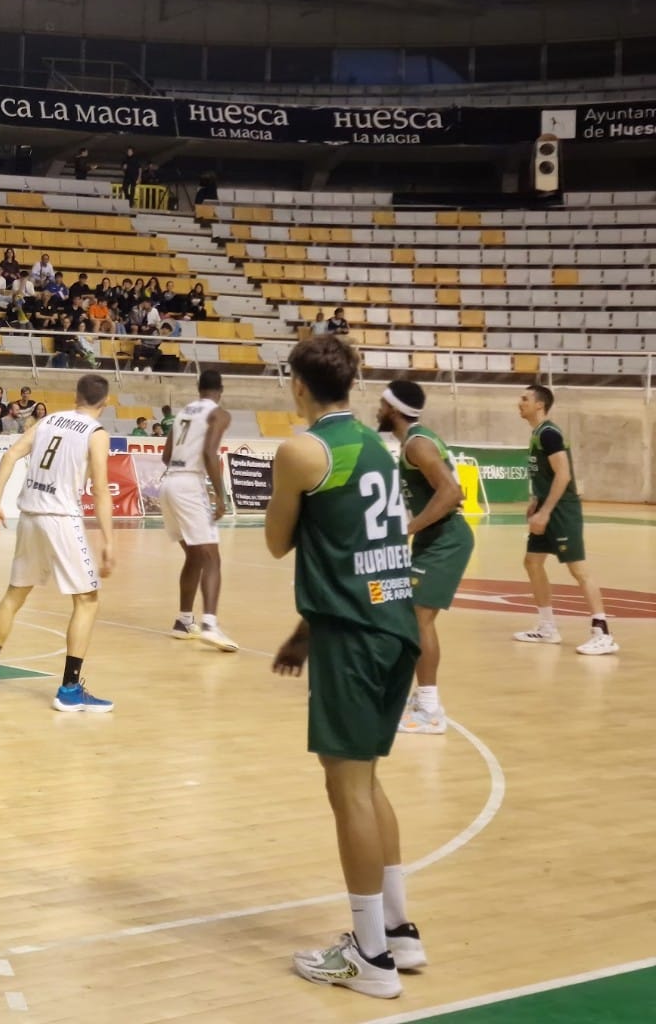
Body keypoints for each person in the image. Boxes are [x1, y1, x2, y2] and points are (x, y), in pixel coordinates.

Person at [266, 335, 423, 1000]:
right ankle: (398, 930)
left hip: (355, 639)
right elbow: (361, 550)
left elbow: (277, 542)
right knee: (367, 781)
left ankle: (370, 959)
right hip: (393, 623)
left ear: (298, 386)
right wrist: (307, 628)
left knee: (347, 790)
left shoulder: (302, 450)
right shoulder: (378, 447)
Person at [0, 374, 116, 711]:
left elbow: (10, 455)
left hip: (29, 515)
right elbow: (99, 489)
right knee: (87, 600)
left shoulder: (49, 419)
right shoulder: (96, 434)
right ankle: (69, 690)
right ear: (105, 403)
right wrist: (109, 540)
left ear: (75, 396)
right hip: (61, 519)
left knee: (14, 594)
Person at [376, 379, 474, 735]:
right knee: (409, 616)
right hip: (436, 538)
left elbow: (452, 492)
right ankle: (417, 696)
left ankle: (431, 710)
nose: (378, 409)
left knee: (419, 618)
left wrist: (409, 528)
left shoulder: (417, 444)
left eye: (382, 403)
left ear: (393, 409)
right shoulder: (414, 442)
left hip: (446, 538)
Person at [512, 384, 616, 655]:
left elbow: (563, 475)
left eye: (525, 398)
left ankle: (602, 632)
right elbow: (546, 474)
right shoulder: (537, 434)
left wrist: (545, 512)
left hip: (561, 511)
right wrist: (536, 501)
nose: (519, 402)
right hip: (546, 506)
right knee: (532, 562)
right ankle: (547, 628)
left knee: (578, 569)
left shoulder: (549, 433)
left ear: (539, 405)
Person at [159, 370, 235, 651]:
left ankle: (183, 620)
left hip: (168, 484)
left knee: (194, 555)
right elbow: (208, 452)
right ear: (220, 389)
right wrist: (220, 495)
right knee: (212, 557)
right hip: (190, 485)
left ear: (199, 387)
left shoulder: (181, 413)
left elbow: (166, 456)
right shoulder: (219, 414)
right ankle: (210, 626)